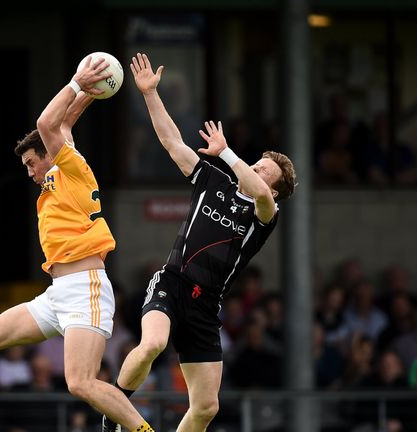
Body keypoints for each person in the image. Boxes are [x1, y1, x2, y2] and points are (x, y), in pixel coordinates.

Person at [0, 56, 156, 432]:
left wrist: (75, 81)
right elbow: (64, 122)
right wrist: (87, 91)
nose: (30, 172)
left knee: (81, 382)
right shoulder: (60, 167)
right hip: (60, 292)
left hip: (86, 286)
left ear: (49, 155)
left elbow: (48, 124)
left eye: (31, 163)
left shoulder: (70, 167)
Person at [102, 53, 296, 432]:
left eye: (262, 171)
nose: (253, 169)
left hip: (206, 306)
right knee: (153, 345)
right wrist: (149, 94)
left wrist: (226, 151)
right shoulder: (214, 181)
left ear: (274, 189)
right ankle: (112, 417)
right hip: (172, 282)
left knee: (206, 407)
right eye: (256, 164)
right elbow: (172, 142)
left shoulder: (264, 213)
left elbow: (259, 192)